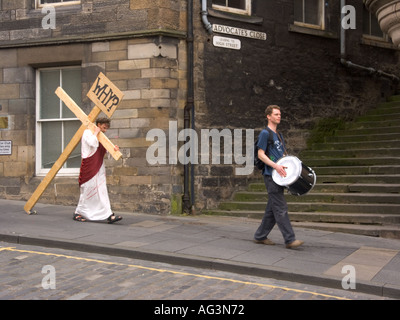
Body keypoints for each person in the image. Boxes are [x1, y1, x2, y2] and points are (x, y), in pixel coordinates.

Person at [254, 105, 303, 249]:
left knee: (272, 209)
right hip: (271, 176)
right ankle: (290, 239)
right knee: (280, 208)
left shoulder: (279, 135)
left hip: (280, 177)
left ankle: (260, 236)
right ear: (268, 116)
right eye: (276, 114)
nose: (279, 116)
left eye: (280, 114)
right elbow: (260, 154)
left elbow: (282, 156)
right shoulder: (265, 133)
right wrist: (275, 166)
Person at [73, 117, 122, 224]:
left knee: (102, 191)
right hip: (89, 167)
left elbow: (106, 152)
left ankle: (109, 215)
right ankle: (78, 212)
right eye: (104, 127)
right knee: (87, 191)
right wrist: (95, 133)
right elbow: (92, 143)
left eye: (107, 128)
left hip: (99, 168)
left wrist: (114, 149)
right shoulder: (87, 133)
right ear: (98, 125)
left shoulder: (102, 137)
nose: (105, 129)